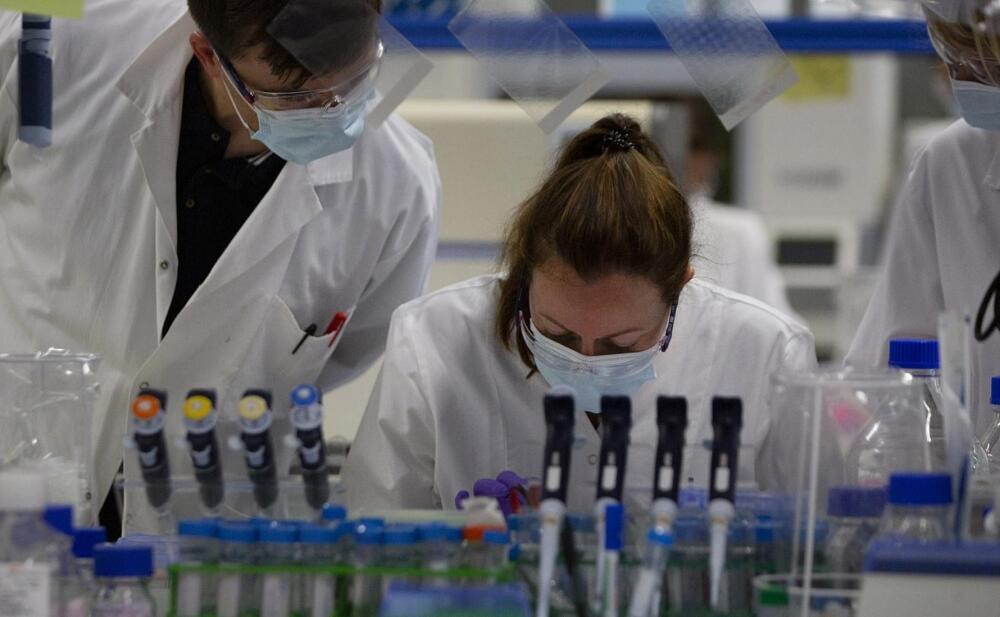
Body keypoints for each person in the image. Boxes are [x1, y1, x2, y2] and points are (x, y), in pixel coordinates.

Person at [0, 0, 440, 533]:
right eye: (296, 99)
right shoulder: (57, 41)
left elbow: (350, 354)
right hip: (24, 485)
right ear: (208, 55)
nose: (334, 112)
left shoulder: (397, 187)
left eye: (356, 80)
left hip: (204, 532)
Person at [342, 114, 821, 513]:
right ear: (523, 274)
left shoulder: (765, 355)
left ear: (680, 287)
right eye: (557, 336)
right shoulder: (435, 341)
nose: (586, 362)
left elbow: (814, 550)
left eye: (622, 344)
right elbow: (373, 536)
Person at [845, 1, 1000, 433]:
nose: (963, 77)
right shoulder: (951, 163)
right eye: (955, 56)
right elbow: (882, 376)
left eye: (986, 63)